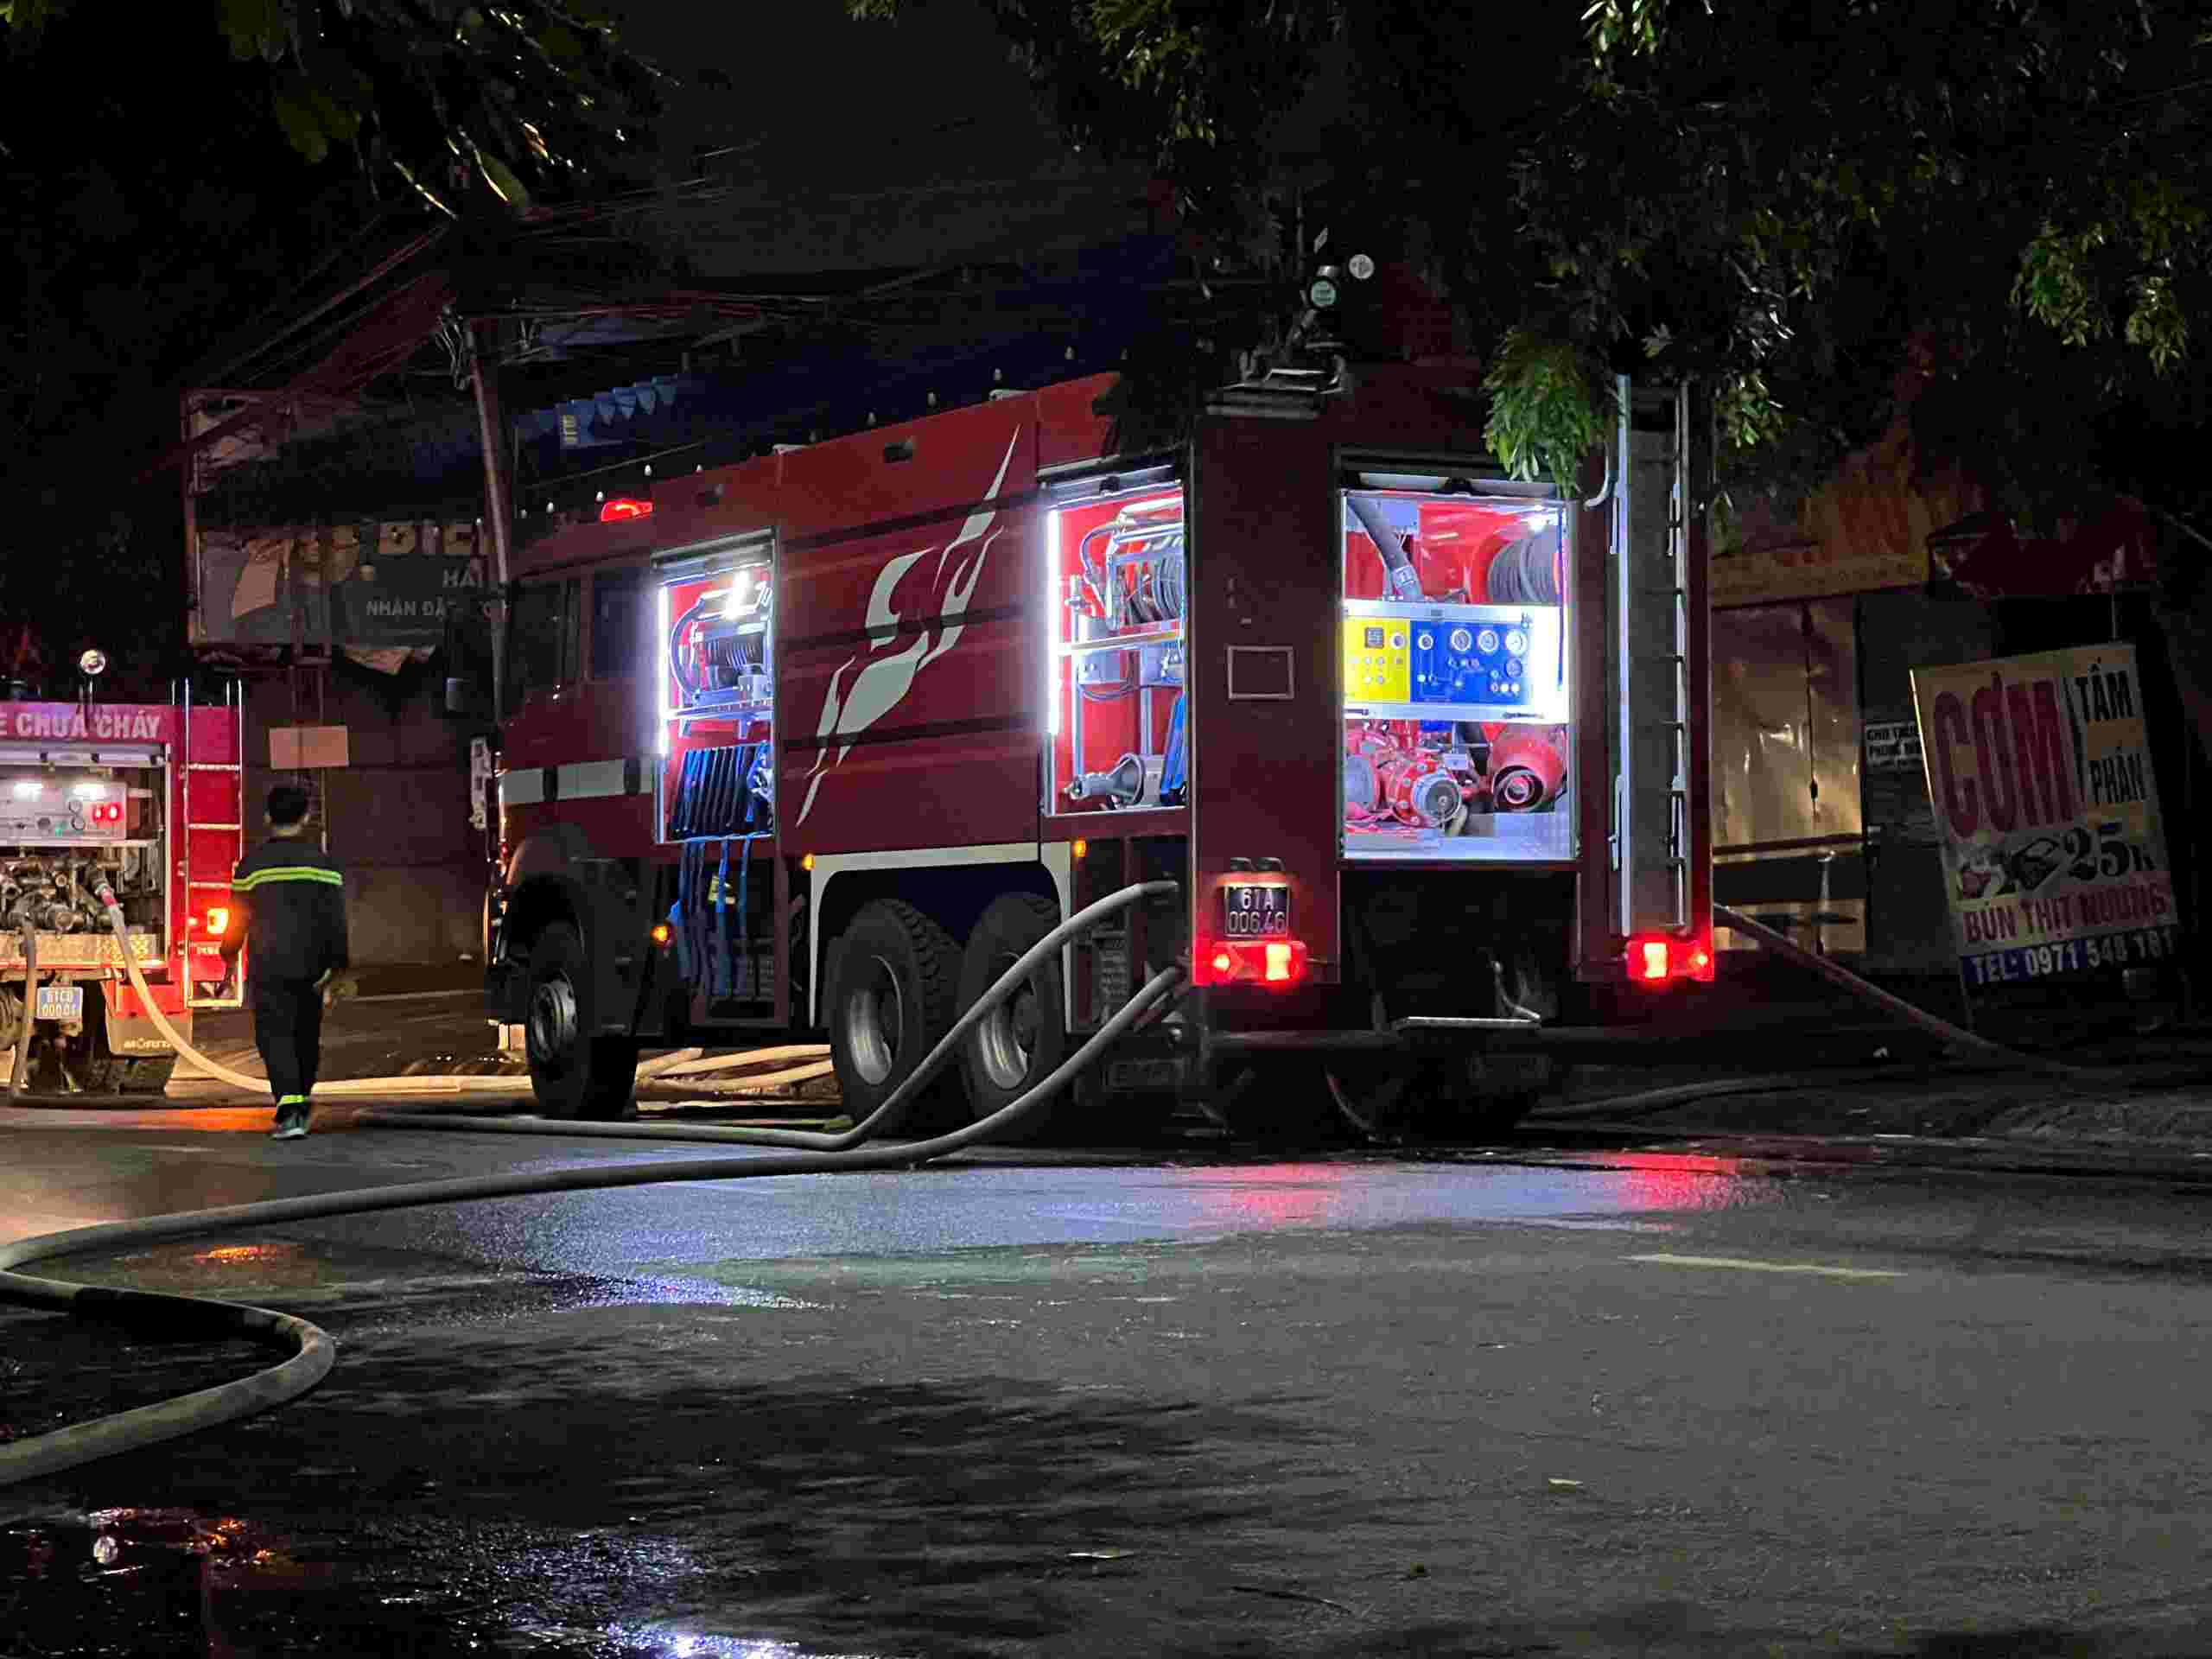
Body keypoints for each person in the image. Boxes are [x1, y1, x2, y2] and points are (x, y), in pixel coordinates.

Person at [216, 784, 348, 1140]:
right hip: (313, 967)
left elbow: (237, 919)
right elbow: (335, 920)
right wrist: (338, 968)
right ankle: (300, 1102)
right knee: (306, 1035)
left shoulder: (251, 867)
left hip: (269, 965)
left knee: (275, 1036)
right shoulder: (324, 866)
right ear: (306, 818)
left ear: (267, 818)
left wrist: (228, 955)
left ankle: (290, 1110)